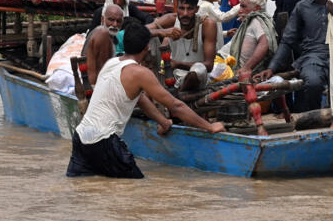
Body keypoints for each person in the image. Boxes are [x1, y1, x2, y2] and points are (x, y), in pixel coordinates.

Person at [66, 22, 225, 178]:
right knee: (138, 192)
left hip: (80, 138)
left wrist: (163, 121)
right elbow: (175, 106)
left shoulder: (112, 63)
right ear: (146, 48)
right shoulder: (140, 73)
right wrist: (209, 127)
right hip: (104, 141)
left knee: (85, 187)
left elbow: (139, 99)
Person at [256, 0, 333, 112]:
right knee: (312, 83)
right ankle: (315, 117)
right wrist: (271, 67)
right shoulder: (302, 7)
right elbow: (287, 40)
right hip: (313, 57)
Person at [164, 0, 220, 90]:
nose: (185, 13)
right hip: (173, 75)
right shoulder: (171, 20)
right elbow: (146, 29)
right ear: (176, 8)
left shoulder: (207, 24)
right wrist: (162, 33)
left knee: (197, 71)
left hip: (198, 78)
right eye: (181, 8)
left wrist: (177, 64)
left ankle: (178, 96)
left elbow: (209, 65)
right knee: (150, 41)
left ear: (197, 9)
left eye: (190, 9)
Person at [219, 0, 277, 79]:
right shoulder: (249, 20)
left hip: (237, 71)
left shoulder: (257, 20)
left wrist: (246, 68)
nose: (240, 10)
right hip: (225, 64)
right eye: (240, 6)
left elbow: (265, 43)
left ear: (257, 8)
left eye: (244, 6)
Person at [83, 4, 124, 85]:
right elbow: (104, 74)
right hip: (93, 88)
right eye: (111, 20)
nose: (115, 24)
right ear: (102, 19)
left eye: (118, 21)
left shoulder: (112, 37)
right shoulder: (103, 34)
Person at [88, 0, 154, 30]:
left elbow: (148, 18)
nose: (118, 2)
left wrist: (141, 31)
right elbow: (91, 33)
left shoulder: (129, 8)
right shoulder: (100, 12)